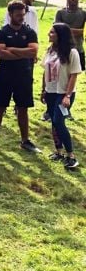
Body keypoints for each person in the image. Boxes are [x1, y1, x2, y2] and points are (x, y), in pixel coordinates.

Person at [0, 0, 39, 152]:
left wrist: (12, 49)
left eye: (23, 14)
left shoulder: (30, 32)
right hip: (5, 74)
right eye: (18, 15)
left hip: (24, 75)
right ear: (10, 14)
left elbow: (33, 52)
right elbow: (1, 54)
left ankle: (25, 140)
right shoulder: (1, 32)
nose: (21, 18)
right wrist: (23, 53)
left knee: (23, 108)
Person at [42, 23, 81, 169]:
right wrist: (43, 90)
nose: (49, 34)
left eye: (52, 32)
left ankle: (71, 155)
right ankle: (59, 151)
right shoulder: (50, 50)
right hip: (50, 91)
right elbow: (45, 71)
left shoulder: (72, 52)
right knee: (53, 121)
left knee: (59, 121)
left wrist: (68, 96)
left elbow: (74, 75)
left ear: (61, 35)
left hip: (63, 93)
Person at [55, 0, 85, 71]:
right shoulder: (60, 13)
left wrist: (65, 30)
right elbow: (57, 30)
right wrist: (79, 31)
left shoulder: (83, 14)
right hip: (62, 48)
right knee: (61, 71)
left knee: (77, 73)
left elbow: (84, 32)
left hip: (78, 48)